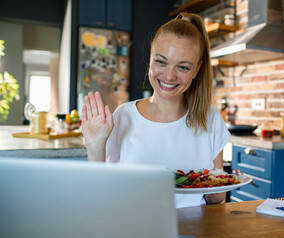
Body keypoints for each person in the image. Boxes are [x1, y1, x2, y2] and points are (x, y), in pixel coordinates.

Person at [81, 12, 231, 208]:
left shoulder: (210, 117)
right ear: (150, 58)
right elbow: (101, 195)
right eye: (161, 61)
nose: (169, 76)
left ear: (197, 70)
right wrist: (95, 146)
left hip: (194, 231)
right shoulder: (123, 116)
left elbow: (216, 199)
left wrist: (222, 185)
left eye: (183, 67)